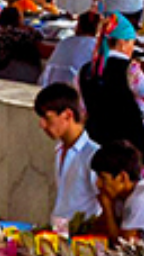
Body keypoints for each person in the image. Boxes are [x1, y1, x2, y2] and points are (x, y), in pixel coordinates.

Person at [78, 14, 144, 166]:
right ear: (123, 43)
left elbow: (82, 110)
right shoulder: (129, 69)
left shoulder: (86, 70)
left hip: (98, 143)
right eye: (132, 43)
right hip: (130, 143)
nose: (132, 48)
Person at [33, 83, 99, 228]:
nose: (42, 125)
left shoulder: (93, 155)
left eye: (47, 118)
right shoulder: (59, 150)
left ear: (68, 115)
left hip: (83, 235)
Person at [44, 9, 101, 88]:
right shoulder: (97, 46)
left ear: (78, 26)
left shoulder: (64, 43)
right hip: (75, 89)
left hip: (50, 87)